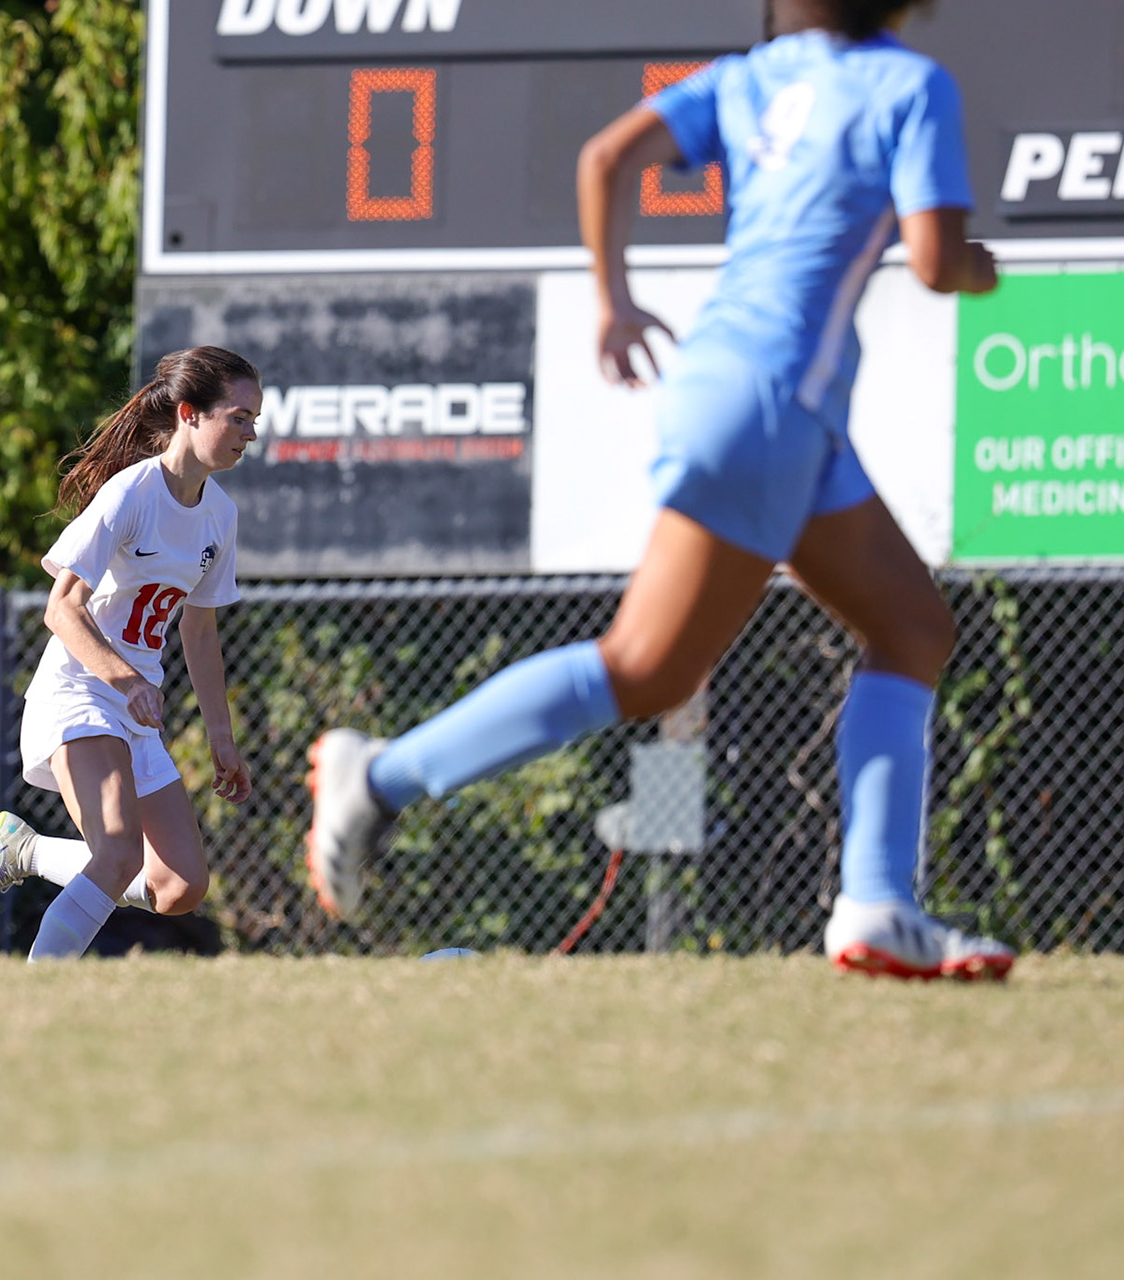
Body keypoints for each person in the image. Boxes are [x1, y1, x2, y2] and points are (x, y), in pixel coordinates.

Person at [307, 0, 1014, 981]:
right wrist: (982, 270)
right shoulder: (908, 83)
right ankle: (378, 776)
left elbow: (605, 158)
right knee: (646, 666)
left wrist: (614, 299)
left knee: (912, 628)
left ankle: (881, 904)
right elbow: (937, 264)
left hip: (760, 399)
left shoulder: (751, 75)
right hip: (772, 402)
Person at [0, 347, 259, 960]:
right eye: (239, 416)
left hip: (133, 709)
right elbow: (61, 607)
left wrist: (222, 738)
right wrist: (126, 680)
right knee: (116, 851)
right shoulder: (132, 493)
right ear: (190, 414)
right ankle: (33, 1003)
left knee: (179, 887)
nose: (251, 433)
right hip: (81, 691)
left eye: (255, 419)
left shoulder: (221, 516)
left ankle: (26, 852)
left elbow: (199, 633)